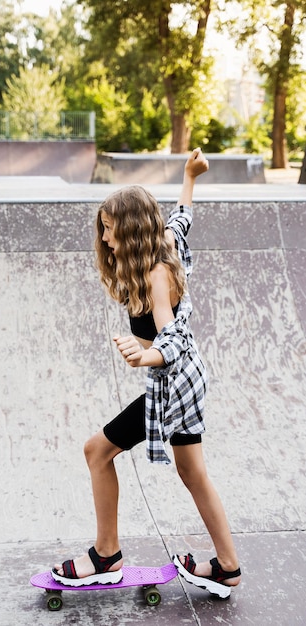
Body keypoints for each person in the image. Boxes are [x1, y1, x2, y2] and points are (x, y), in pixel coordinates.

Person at [52, 148, 241, 599]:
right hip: (189, 379)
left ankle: (106, 556)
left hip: (175, 383)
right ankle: (228, 567)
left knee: (97, 451)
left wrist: (144, 355)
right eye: (103, 229)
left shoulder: (158, 273)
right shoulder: (165, 242)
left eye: (112, 231)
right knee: (193, 473)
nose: (106, 239)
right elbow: (181, 219)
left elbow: (170, 339)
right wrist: (189, 176)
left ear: (134, 232)